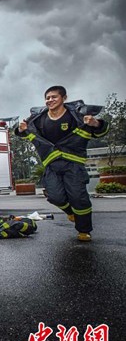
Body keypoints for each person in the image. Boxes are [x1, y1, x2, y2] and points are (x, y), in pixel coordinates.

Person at [15, 86, 109, 242]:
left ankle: (84, 230)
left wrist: (95, 124)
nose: (50, 100)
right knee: (54, 196)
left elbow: (100, 131)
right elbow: (22, 132)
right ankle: (70, 212)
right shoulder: (38, 118)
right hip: (51, 164)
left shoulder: (78, 115)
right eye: (47, 98)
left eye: (54, 97)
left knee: (78, 197)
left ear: (64, 98)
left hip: (73, 164)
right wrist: (20, 129)